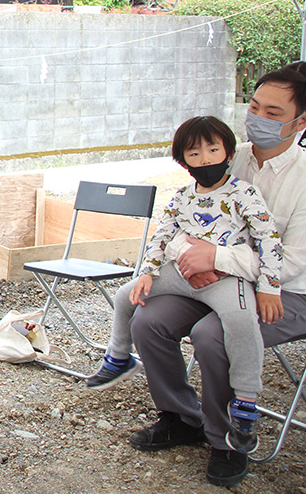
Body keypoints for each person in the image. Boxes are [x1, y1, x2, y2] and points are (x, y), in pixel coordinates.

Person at [129, 63, 306, 487]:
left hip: (285, 291)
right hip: (211, 279)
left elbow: (293, 260)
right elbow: (179, 218)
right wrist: (192, 255)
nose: (259, 118)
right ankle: (180, 417)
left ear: (301, 122)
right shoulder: (226, 155)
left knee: (214, 335)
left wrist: (217, 258)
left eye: (274, 113)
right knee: (147, 319)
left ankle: (228, 439)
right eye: (256, 106)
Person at [85, 116, 283, 454]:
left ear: (228, 152)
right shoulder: (182, 196)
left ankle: (246, 400)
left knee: (240, 320)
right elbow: (162, 235)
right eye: (194, 153)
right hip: (181, 274)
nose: (205, 159)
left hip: (225, 278)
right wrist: (148, 271)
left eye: (213, 149)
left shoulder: (242, 192)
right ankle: (119, 357)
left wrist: (269, 287)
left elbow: (268, 239)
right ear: (182, 160)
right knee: (126, 295)